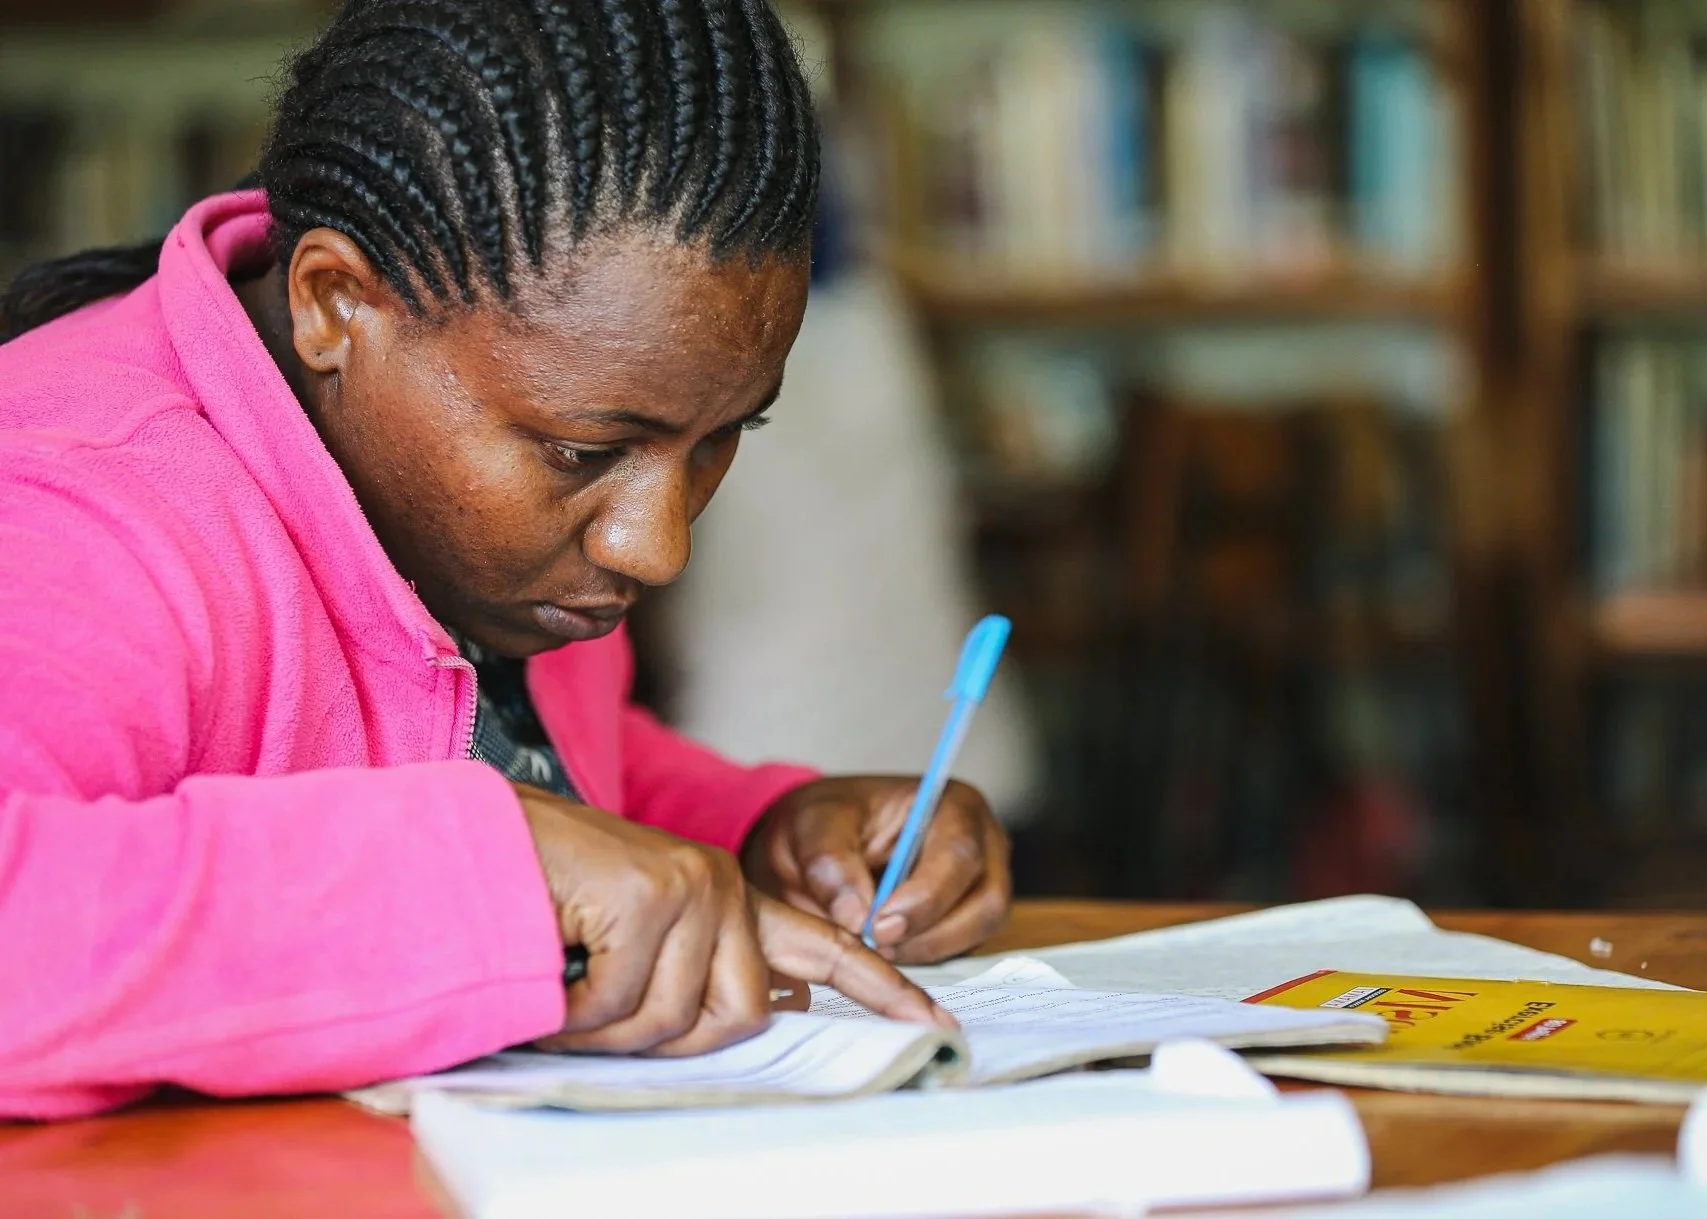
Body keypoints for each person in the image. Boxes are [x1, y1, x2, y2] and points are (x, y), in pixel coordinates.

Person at [0, 0, 1010, 1122]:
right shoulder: (77, 506)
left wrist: (755, 833)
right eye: (586, 450)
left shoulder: (495, 534)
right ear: (337, 304)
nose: (656, 545)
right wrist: (469, 885)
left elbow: (503, 758)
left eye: (725, 435)